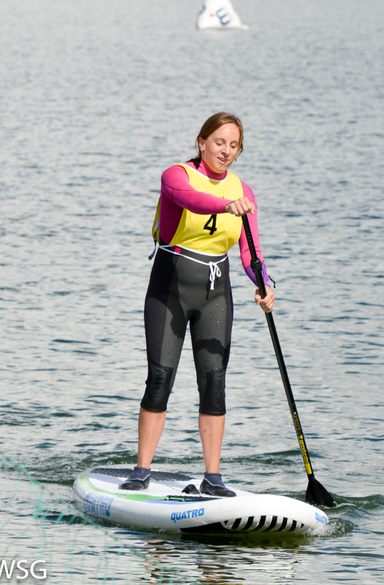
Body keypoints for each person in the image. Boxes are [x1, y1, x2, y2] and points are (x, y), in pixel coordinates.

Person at [121, 112, 275, 497]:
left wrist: (264, 284)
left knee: (215, 381)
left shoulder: (244, 192)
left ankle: (213, 477)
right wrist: (226, 207)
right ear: (202, 142)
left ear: (239, 152)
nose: (225, 151)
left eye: (233, 145)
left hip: (216, 293)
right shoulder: (176, 176)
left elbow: (249, 253)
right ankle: (142, 471)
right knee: (160, 379)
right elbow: (191, 200)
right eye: (219, 142)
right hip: (170, 287)